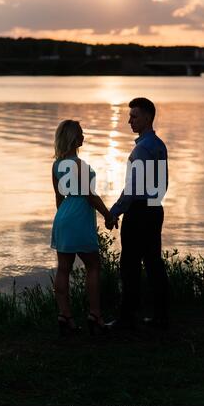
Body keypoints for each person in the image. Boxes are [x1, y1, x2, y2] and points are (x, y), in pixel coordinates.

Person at [50, 120, 117, 336]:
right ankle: (95, 315)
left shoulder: (56, 165)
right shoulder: (79, 165)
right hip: (79, 215)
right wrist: (108, 215)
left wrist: (63, 219)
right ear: (72, 137)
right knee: (93, 266)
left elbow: (59, 197)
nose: (83, 135)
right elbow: (89, 195)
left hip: (63, 215)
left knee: (63, 268)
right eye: (80, 132)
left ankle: (64, 316)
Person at [109, 97, 169, 329]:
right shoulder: (159, 145)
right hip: (155, 208)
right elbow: (163, 183)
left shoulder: (142, 149)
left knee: (130, 264)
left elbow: (132, 188)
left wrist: (115, 211)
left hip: (139, 212)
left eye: (134, 116)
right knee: (154, 262)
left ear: (147, 117)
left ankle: (127, 317)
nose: (129, 121)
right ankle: (161, 315)